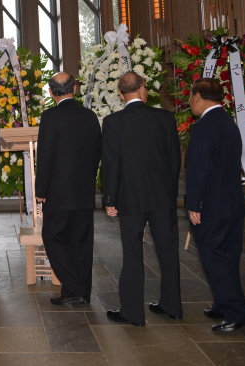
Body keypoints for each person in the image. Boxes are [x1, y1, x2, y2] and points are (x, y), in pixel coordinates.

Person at [101, 72, 182, 326]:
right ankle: (172, 306)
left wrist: (110, 198)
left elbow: (111, 163)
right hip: (162, 196)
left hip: (130, 197)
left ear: (120, 93)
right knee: (168, 250)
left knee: (133, 253)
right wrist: (170, 191)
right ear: (143, 88)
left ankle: (133, 313)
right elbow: (175, 159)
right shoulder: (165, 118)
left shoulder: (113, 122)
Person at [186, 78, 245, 332]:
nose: (190, 102)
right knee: (228, 258)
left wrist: (194, 204)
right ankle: (222, 303)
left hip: (212, 206)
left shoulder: (203, 127)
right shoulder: (229, 123)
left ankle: (239, 312)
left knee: (215, 258)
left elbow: (199, 171)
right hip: (232, 204)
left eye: (191, 97)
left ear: (198, 97)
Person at [35, 73, 101, 305]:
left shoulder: (50, 116)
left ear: (51, 92)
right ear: (74, 88)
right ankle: (82, 292)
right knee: (81, 242)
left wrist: (41, 190)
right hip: (84, 190)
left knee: (52, 237)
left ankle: (74, 289)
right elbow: (97, 153)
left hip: (59, 192)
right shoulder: (89, 116)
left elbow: (45, 156)